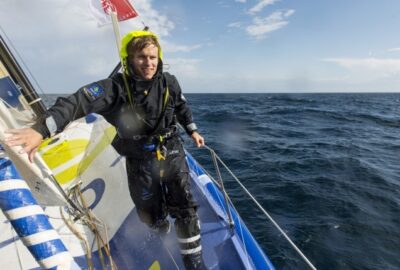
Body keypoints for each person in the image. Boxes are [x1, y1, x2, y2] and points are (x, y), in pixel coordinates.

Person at [5, 30, 206, 270]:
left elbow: (181, 106)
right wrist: (41, 130)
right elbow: (77, 102)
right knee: (149, 211)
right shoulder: (114, 89)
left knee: (184, 205)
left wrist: (192, 130)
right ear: (128, 59)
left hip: (170, 150)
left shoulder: (169, 82)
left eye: (153, 57)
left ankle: (194, 263)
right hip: (138, 157)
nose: (148, 63)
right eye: (141, 57)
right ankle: (159, 229)